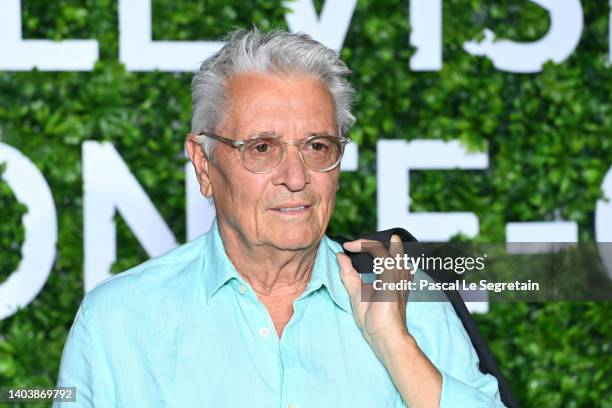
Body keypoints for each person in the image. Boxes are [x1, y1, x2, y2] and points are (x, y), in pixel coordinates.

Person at [54, 27, 505, 407]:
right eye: (262, 148)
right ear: (204, 165)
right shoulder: (118, 322)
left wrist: (396, 345)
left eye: (317, 147)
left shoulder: (409, 298)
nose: (296, 177)